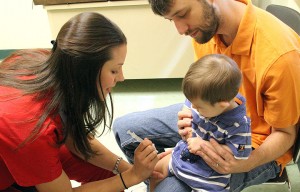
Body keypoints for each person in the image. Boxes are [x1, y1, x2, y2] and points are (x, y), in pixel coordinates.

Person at [113, 0, 300, 191]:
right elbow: (201, 81)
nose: (180, 29)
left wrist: (244, 163)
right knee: (125, 130)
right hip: (209, 114)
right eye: (172, 20)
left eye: (183, 14)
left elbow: (285, 135)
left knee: (167, 187)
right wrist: (188, 110)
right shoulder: (206, 30)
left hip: (253, 145)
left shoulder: (280, 57)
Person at [0, 12, 160, 192]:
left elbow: (74, 136)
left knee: (109, 178)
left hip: (21, 144)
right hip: (10, 164)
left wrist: (129, 169)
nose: (121, 78)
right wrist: (133, 176)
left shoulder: (54, 63)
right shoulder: (31, 129)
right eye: (114, 71)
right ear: (84, 72)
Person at [149, 54, 251, 192]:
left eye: (198, 107)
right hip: (182, 157)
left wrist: (204, 145)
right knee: (154, 172)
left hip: (207, 179)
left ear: (222, 105)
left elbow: (240, 154)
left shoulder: (238, 125)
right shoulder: (204, 98)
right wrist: (186, 121)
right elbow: (191, 103)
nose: (194, 108)